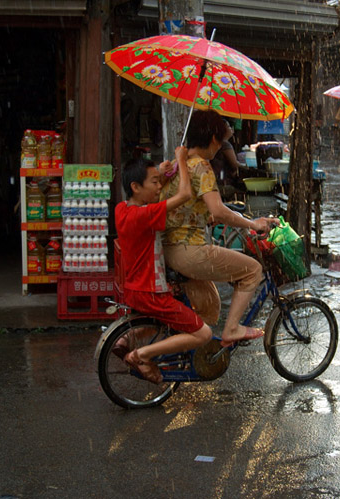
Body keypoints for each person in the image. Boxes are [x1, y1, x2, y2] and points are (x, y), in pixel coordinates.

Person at [160, 110, 277, 347]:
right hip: (190, 251)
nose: (221, 146)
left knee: (210, 308)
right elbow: (219, 210)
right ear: (214, 139)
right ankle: (232, 329)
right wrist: (252, 224)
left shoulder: (176, 164)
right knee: (252, 270)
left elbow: (198, 208)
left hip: (170, 250)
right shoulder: (201, 166)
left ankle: (189, 352)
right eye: (222, 140)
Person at [114, 146, 212, 384]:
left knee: (172, 315)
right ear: (136, 187)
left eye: (159, 182)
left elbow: (145, 187)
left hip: (135, 288)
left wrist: (160, 172)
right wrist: (180, 158)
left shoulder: (123, 209)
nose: (159, 187)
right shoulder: (144, 214)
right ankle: (140, 355)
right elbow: (185, 195)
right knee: (203, 334)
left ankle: (125, 340)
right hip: (150, 292)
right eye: (154, 183)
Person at [209, 120, 249, 200]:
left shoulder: (215, 143)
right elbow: (235, 164)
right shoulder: (224, 144)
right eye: (229, 127)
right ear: (223, 130)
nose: (231, 129)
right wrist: (247, 167)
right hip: (222, 184)